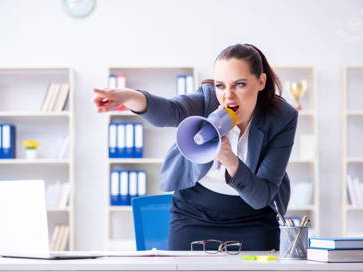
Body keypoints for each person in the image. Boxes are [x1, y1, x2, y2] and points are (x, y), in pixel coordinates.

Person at [92, 43, 298, 251]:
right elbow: (169, 111)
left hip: (254, 220)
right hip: (193, 216)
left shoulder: (282, 118)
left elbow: (260, 197)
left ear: (261, 82)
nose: (228, 96)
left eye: (240, 84)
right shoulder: (207, 101)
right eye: (220, 85)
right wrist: (127, 96)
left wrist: (231, 162)